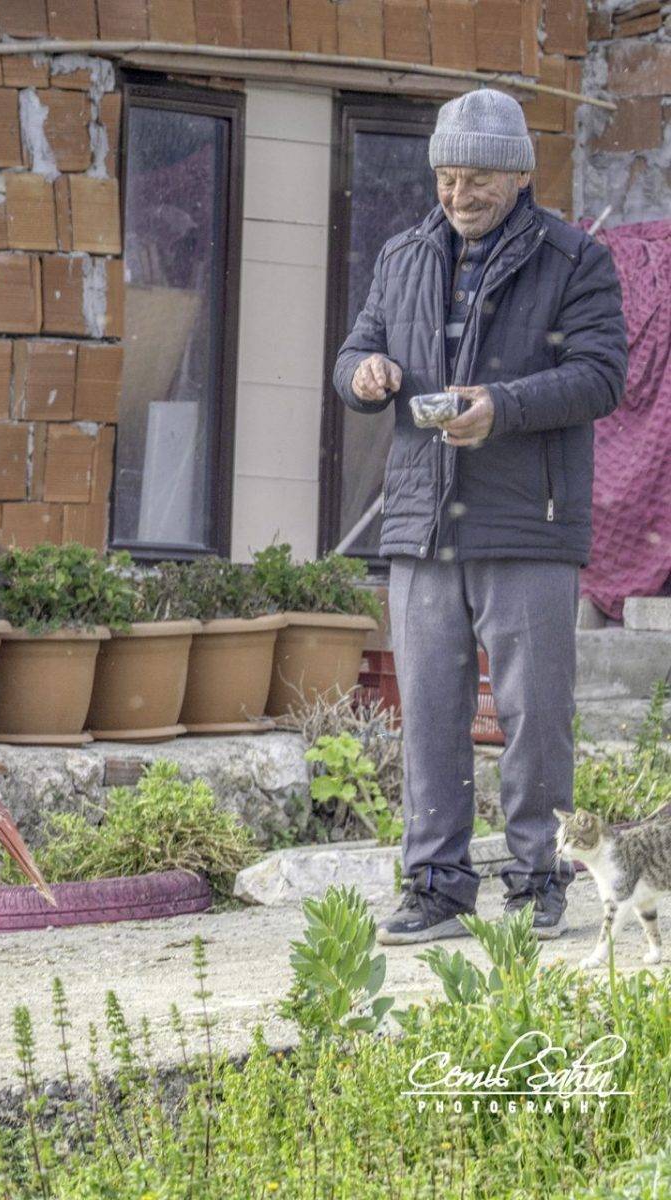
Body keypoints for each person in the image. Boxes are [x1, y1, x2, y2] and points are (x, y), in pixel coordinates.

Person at [332, 89, 628, 945]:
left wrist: (499, 405)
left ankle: (539, 881)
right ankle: (436, 888)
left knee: (535, 715)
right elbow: (356, 348)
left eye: (478, 180)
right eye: (447, 178)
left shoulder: (576, 262)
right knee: (427, 713)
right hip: (422, 521)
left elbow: (603, 376)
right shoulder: (403, 254)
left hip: (528, 522)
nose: (458, 196)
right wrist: (365, 375)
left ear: (522, 174)